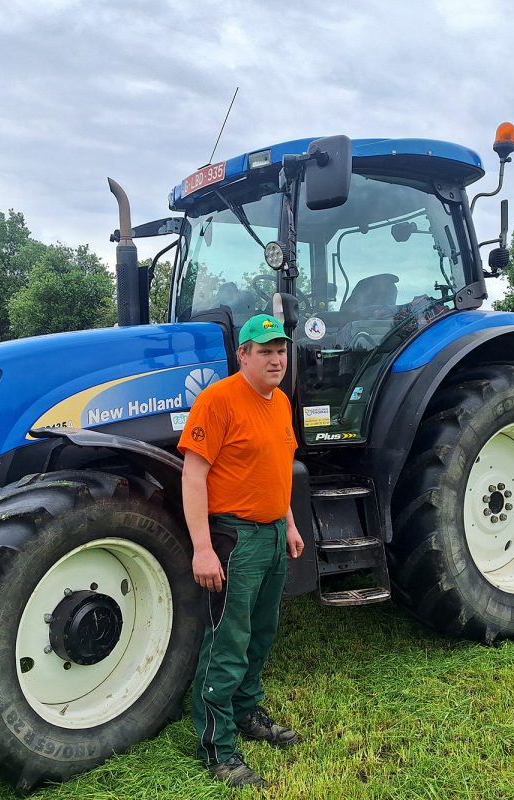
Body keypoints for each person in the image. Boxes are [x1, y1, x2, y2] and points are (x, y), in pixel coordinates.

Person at [178, 313, 306, 788]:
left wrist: (289, 524)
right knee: (227, 643)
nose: (276, 359)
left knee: (260, 633)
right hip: (234, 538)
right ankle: (218, 748)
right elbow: (193, 476)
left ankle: (248, 710)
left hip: (272, 534)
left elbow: (280, 469)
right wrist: (203, 549)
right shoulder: (218, 401)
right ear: (244, 355)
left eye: (281, 350)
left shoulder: (281, 403)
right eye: (265, 351)